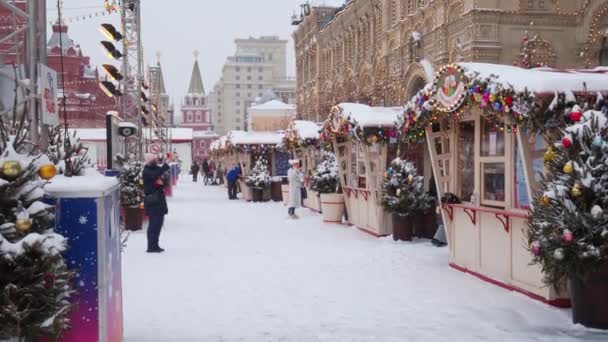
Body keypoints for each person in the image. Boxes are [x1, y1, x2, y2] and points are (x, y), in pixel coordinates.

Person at [143, 153, 170, 253]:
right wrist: (166, 164)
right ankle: (151, 246)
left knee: (159, 224)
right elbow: (157, 175)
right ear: (148, 161)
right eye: (153, 159)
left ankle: (156, 244)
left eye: (155, 159)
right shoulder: (146, 171)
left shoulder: (155, 169)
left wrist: (162, 182)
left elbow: (163, 180)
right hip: (152, 201)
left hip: (159, 200)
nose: (155, 161)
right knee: (153, 224)